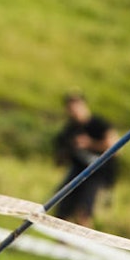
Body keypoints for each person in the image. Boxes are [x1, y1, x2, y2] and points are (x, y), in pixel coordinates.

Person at [51, 92, 119, 228]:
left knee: (83, 212)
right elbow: (61, 155)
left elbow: (115, 148)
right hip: (78, 171)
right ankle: (61, 240)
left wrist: (90, 143)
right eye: (70, 107)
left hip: (97, 172)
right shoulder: (70, 129)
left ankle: (84, 237)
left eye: (76, 106)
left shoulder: (98, 124)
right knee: (62, 210)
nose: (74, 110)